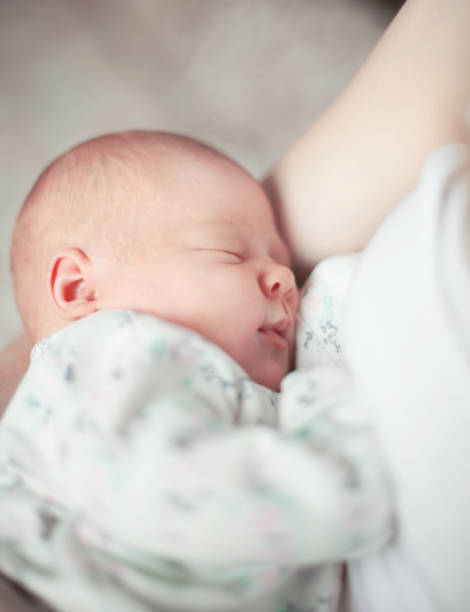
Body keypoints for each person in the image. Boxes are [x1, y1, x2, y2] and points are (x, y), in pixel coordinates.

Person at [0, 130, 390, 612]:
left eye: (285, 263)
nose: (286, 280)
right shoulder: (107, 353)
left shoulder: (217, 384)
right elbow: (180, 497)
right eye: (229, 252)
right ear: (80, 288)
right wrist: (333, 420)